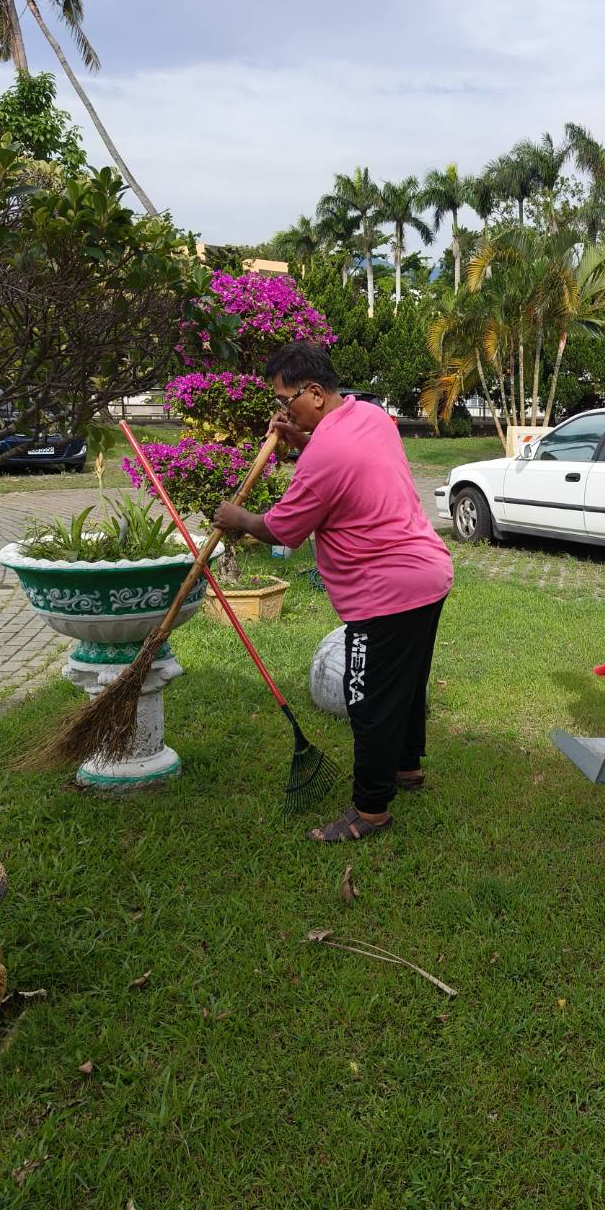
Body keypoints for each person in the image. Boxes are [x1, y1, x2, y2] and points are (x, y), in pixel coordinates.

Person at [213, 341, 453, 843]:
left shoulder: (325, 454)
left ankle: (370, 810)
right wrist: (298, 436)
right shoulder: (369, 416)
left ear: (316, 393)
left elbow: (283, 529)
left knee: (366, 698)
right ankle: (407, 768)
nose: (283, 410)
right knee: (403, 687)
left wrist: (238, 519)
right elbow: (342, 458)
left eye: (287, 401)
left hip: (386, 590)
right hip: (427, 574)